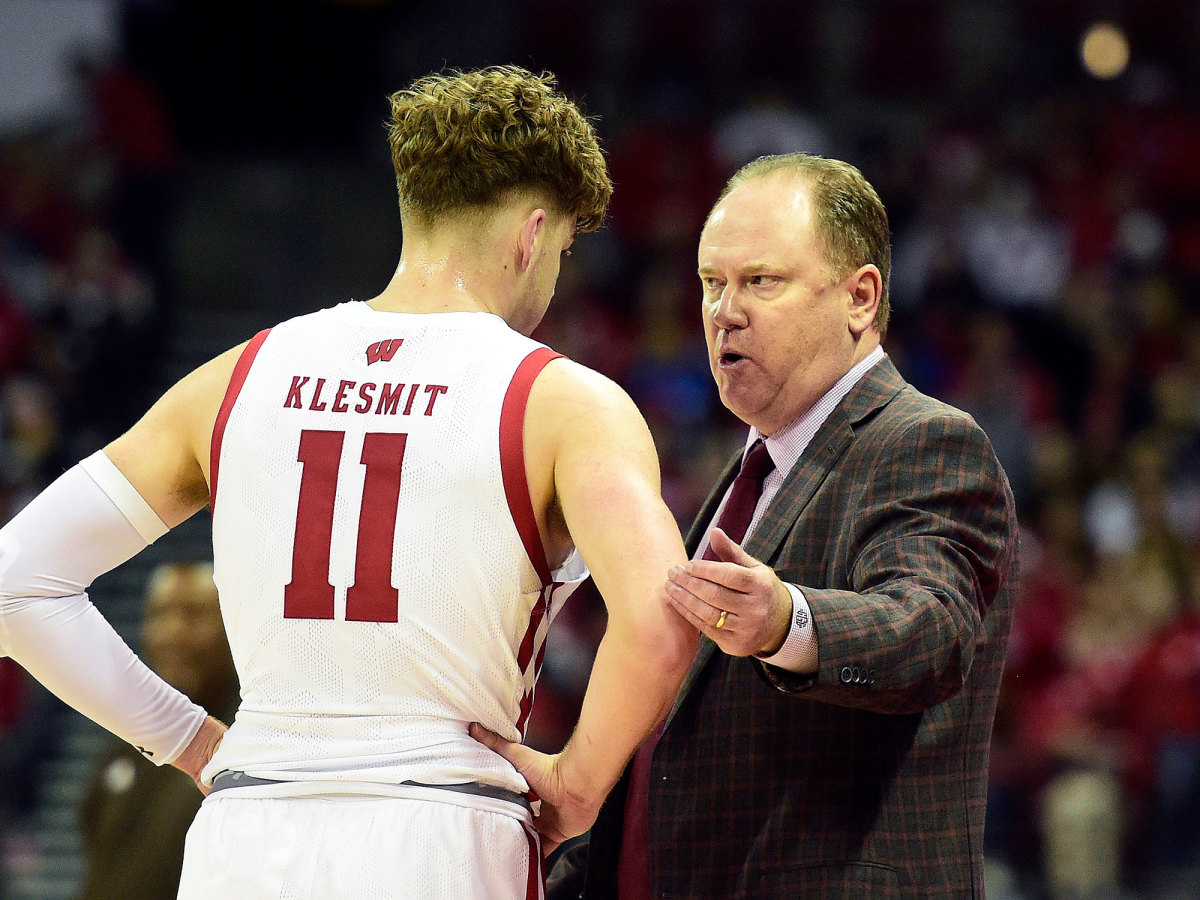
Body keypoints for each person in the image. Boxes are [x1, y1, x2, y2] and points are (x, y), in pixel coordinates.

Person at [0, 65, 697, 899]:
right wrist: (578, 784)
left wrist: (186, 739)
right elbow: (661, 623)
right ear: (532, 234)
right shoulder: (563, 402)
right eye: (562, 252)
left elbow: (16, 582)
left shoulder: (237, 377)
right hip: (442, 828)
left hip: (247, 829)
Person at [478, 152, 1019, 898]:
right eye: (712, 282)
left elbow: (931, 633)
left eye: (761, 281)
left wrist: (789, 623)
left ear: (860, 298)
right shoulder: (748, 476)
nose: (723, 311)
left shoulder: (924, 440)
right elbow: (671, 753)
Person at [77, 562, 239, 900]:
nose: (173, 633)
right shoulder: (124, 741)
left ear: (232, 627)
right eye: (160, 614)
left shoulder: (245, 743)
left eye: (194, 614)